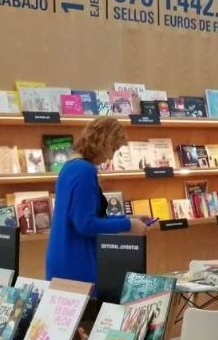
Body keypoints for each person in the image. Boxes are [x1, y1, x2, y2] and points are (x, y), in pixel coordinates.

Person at [46, 117, 150, 282]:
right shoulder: (84, 171)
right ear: (104, 143)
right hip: (78, 263)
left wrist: (127, 218)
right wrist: (128, 225)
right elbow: (85, 224)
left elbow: (80, 215)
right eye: (114, 149)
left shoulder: (70, 167)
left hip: (63, 257)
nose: (110, 157)